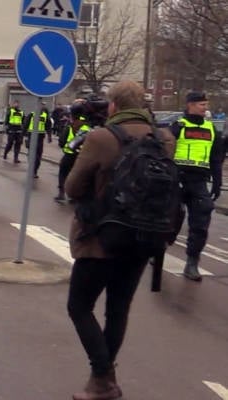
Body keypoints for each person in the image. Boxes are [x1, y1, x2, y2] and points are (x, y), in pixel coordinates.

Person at [64, 80, 175, 400]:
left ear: (113, 106)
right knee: (118, 308)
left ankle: (103, 376)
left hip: (100, 237)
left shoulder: (101, 137)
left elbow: (72, 188)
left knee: (79, 306)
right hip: (144, 237)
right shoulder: (164, 138)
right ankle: (102, 378)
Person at [171, 92, 225, 281]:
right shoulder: (178, 126)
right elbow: (167, 151)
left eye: (205, 104)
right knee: (172, 218)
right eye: (201, 104)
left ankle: (192, 262)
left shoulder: (211, 130)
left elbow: (216, 159)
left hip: (198, 181)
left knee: (201, 222)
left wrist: (217, 183)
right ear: (190, 105)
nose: (205, 107)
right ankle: (160, 248)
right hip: (177, 179)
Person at [55, 115, 91, 203]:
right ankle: (73, 196)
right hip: (81, 156)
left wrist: (65, 147)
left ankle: (61, 193)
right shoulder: (88, 128)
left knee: (63, 173)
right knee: (77, 176)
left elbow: (62, 141)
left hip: (69, 155)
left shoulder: (70, 127)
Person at [31, 104, 52, 179]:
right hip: (32, 137)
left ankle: (34, 171)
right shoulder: (32, 114)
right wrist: (24, 136)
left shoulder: (45, 116)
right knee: (34, 156)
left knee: (38, 157)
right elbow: (26, 124)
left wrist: (49, 136)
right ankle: (32, 170)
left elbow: (48, 126)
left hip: (40, 138)